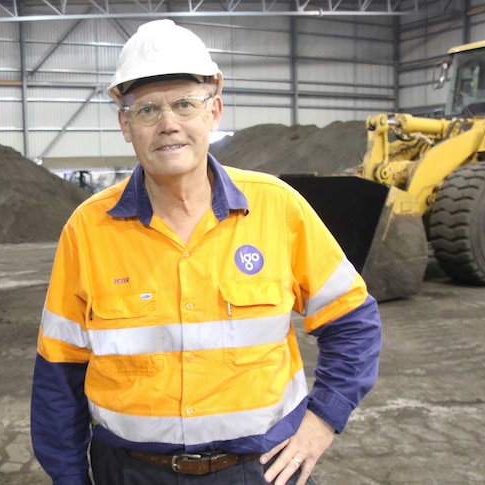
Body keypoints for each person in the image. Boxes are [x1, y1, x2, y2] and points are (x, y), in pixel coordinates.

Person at [30, 19, 382, 485]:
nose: (169, 124)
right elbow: (58, 376)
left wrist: (322, 421)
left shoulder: (277, 208)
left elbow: (353, 321)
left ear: (213, 112)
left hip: (261, 471)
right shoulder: (88, 231)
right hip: (132, 473)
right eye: (148, 110)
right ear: (125, 124)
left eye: (184, 104)